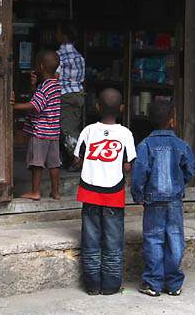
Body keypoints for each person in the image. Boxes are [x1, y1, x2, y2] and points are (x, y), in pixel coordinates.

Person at [131, 100, 195, 297]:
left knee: (153, 239)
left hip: (153, 201)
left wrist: (139, 195)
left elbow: (138, 174)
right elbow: (192, 167)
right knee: (175, 238)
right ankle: (174, 283)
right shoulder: (181, 145)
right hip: (175, 200)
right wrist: (180, 183)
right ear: (172, 120)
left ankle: (153, 283)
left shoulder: (145, 145)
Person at [74, 88, 136, 295]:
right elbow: (128, 166)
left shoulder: (88, 131)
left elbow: (77, 160)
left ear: (97, 107)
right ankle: (110, 286)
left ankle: (92, 285)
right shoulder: (126, 133)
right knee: (113, 240)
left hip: (89, 192)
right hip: (114, 194)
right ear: (122, 108)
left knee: (91, 239)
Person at [11, 50, 62, 201]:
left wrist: (14, 106)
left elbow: (35, 105)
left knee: (37, 164)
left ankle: (35, 192)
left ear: (40, 67)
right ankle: (56, 192)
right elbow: (41, 100)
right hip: (53, 132)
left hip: (40, 132)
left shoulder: (45, 86)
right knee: (54, 164)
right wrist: (34, 86)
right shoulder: (55, 85)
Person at [55, 23, 85, 171]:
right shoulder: (79, 56)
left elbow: (55, 76)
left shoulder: (59, 56)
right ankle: (74, 158)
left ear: (63, 36)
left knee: (67, 130)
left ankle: (79, 159)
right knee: (73, 126)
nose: (56, 35)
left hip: (64, 95)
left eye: (58, 32)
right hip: (78, 94)